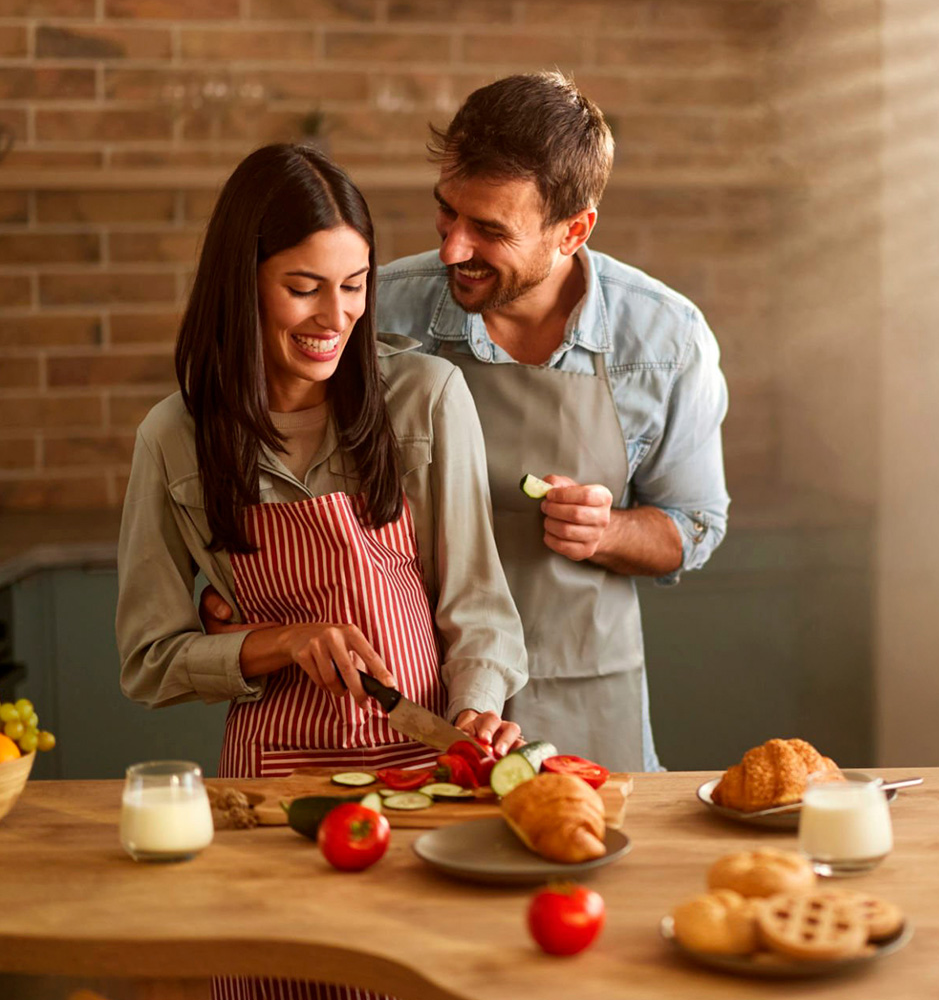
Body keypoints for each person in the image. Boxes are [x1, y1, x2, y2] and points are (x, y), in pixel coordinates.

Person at [201, 72, 729, 772]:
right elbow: (258, 466)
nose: (452, 248)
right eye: (447, 213)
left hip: (586, 697)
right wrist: (228, 594)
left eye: (489, 231)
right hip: (405, 702)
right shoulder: (375, 310)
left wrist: (611, 531)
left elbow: (696, 525)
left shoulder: (664, 341)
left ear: (574, 230)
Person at [116, 146, 527, 795]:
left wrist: (476, 708)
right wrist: (281, 642)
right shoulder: (173, 439)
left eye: (355, 284)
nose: (335, 318)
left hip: (426, 764)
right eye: (303, 288)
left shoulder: (427, 398)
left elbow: (477, 606)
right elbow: (149, 662)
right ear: (241, 281)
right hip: (271, 779)